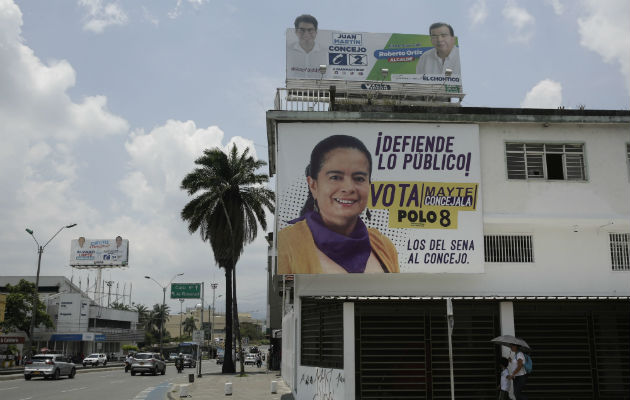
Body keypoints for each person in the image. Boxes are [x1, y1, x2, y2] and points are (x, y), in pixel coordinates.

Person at [278, 135, 399, 274]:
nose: (348, 188)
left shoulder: (383, 245)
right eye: (335, 177)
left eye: (359, 178)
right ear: (313, 185)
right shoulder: (287, 243)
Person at [287, 14, 327, 79]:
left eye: (310, 30)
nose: (306, 34)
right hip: (296, 88)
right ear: (296, 31)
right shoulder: (289, 50)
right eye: (302, 30)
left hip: (318, 88)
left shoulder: (325, 52)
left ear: (316, 32)